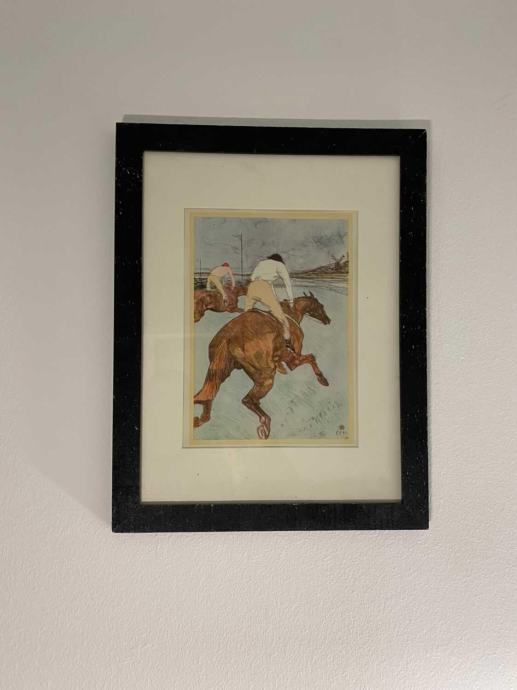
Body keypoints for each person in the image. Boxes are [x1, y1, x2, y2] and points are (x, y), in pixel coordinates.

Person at [245, 253, 294, 345]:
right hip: (264, 287)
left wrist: (275, 298)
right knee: (282, 319)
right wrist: (291, 301)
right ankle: (287, 344)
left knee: (246, 314)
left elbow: (252, 278)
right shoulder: (280, 265)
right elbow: (287, 283)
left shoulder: (262, 263)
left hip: (252, 287)